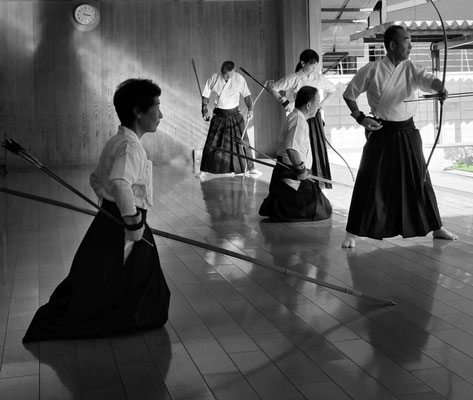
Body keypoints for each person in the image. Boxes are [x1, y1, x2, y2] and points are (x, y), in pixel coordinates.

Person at [23, 78, 170, 342]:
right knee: (135, 279)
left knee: (99, 275)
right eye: (156, 107)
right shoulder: (129, 147)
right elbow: (119, 182)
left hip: (112, 219)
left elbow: (95, 179)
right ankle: (122, 318)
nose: (161, 114)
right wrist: (133, 223)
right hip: (127, 224)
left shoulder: (117, 141)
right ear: (138, 111)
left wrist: (106, 207)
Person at [341, 25, 458, 248]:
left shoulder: (411, 67)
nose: (410, 45)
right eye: (406, 41)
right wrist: (360, 118)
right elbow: (350, 93)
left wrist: (440, 87)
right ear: (392, 45)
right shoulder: (372, 69)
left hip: (407, 131)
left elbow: (429, 80)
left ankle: (436, 226)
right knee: (369, 179)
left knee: (420, 178)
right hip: (381, 131)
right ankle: (352, 232)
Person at [259, 86, 332, 222]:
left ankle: (278, 208)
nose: (319, 107)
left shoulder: (296, 117)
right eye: (318, 102)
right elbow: (291, 149)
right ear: (309, 105)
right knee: (322, 208)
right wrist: (301, 170)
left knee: (322, 204)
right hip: (291, 173)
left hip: (288, 171)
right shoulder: (298, 121)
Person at [269, 49, 336, 189]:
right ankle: (301, 176)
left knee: (315, 148)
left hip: (314, 116)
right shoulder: (294, 78)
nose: (314, 68)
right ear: (302, 63)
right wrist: (284, 101)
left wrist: (321, 106)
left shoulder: (319, 78)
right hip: (300, 115)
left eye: (315, 65)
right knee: (297, 147)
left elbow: (333, 90)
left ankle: (318, 182)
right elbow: (273, 87)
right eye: (312, 64)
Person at [197, 60, 261, 178]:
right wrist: (204, 111)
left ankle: (251, 168)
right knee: (211, 143)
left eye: (229, 75)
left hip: (235, 115)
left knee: (244, 142)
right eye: (225, 74)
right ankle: (203, 171)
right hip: (220, 115)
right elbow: (205, 95)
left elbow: (247, 95)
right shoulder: (214, 78)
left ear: (234, 71)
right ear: (222, 71)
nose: (226, 77)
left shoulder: (238, 78)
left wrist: (250, 109)